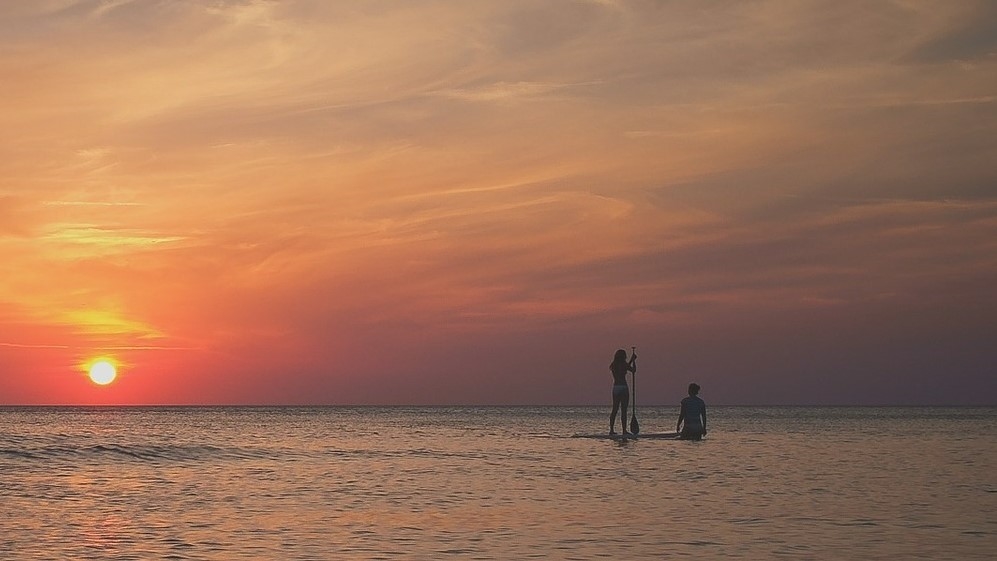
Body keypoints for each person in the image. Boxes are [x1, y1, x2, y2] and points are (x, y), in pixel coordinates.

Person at [609, 348, 637, 434]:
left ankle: (611, 430)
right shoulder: (624, 364)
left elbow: (627, 369)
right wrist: (632, 360)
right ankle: (624, 431)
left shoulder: (613, 365)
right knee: (623, 410)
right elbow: (633, 370)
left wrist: (631, 361)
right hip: (623, 387)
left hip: (616, 388)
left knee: (615, 409)